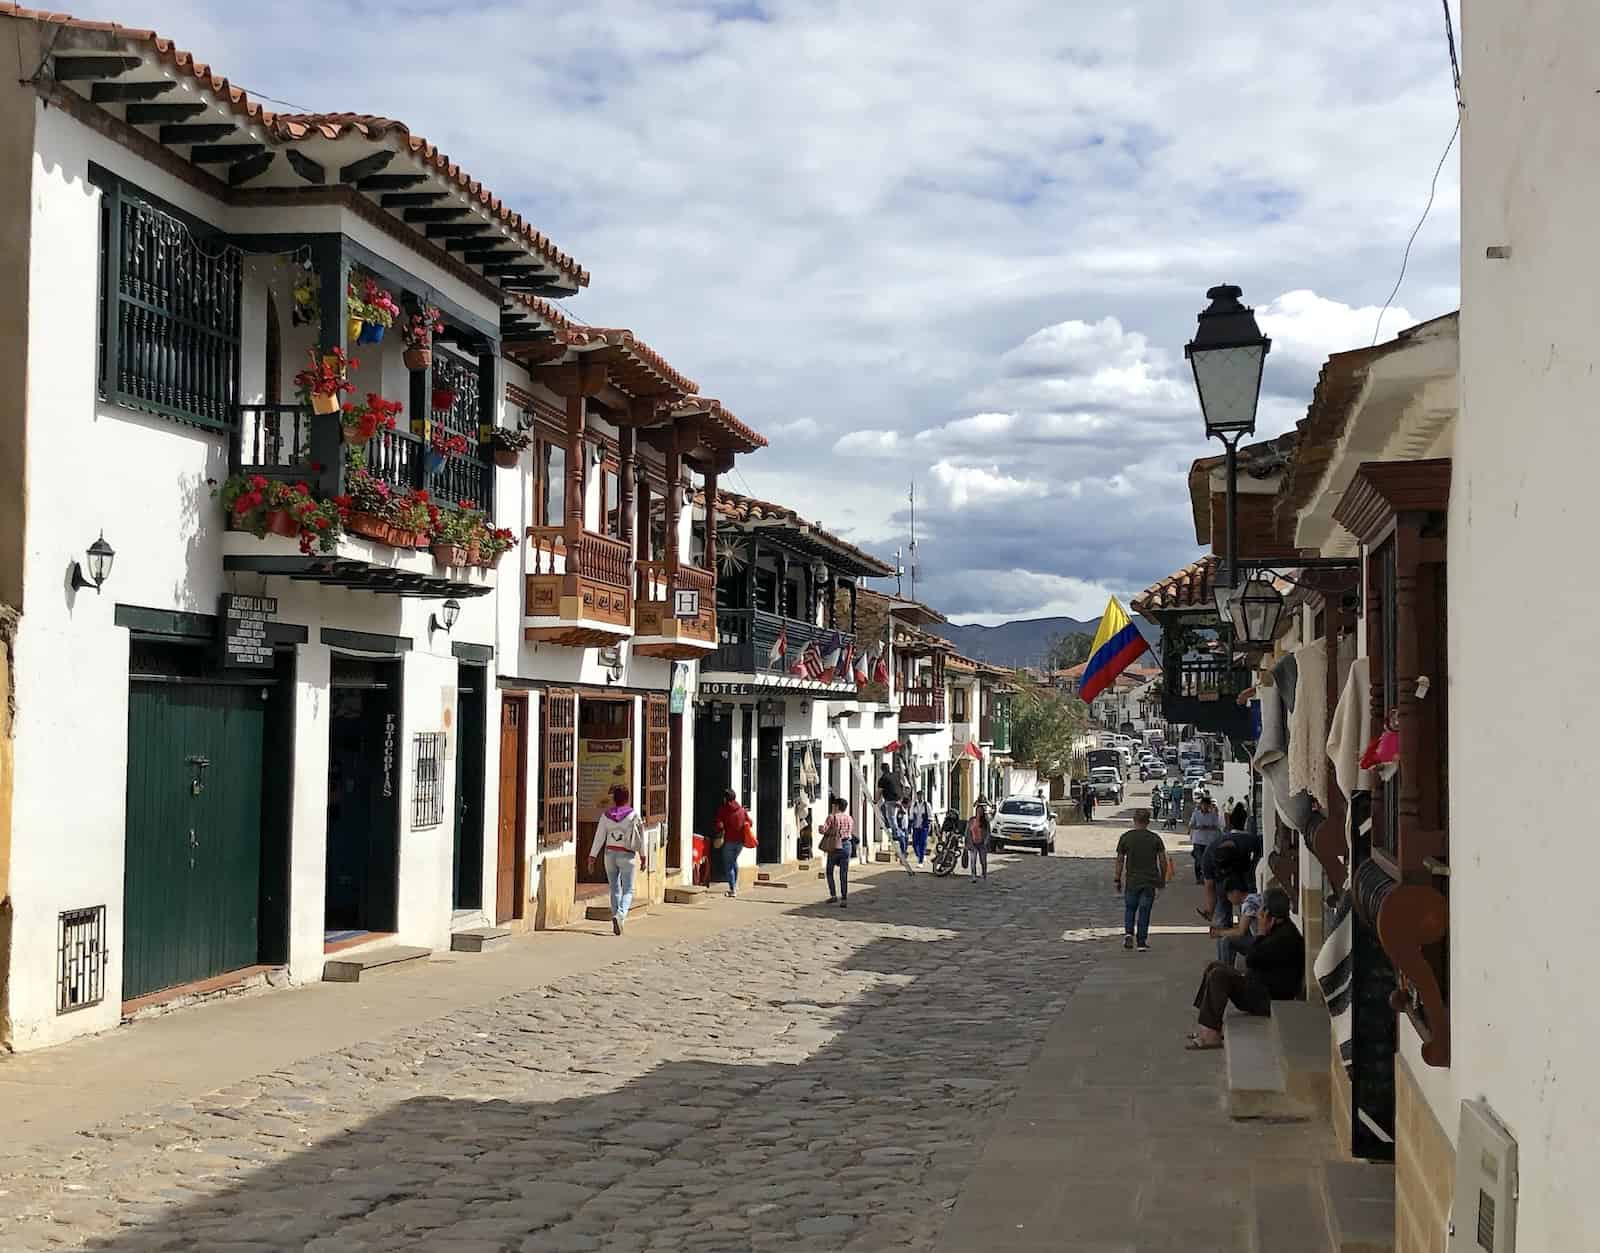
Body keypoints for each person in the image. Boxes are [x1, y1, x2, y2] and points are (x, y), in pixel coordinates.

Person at [1187, 889, 1304, 1049]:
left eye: (1262, 910)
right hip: (1261, 988)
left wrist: (1261, 933)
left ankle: (1210, 1035)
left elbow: (1251, 959)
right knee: (1214, 966)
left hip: (1267, 999)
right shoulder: (1281, 929)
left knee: (1219, 975)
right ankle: (1208, 1027)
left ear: (1270, 915)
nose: (1258, 914)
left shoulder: (1283, 937)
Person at [586, 785, 648, 935]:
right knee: (628, 889)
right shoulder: (634, 815)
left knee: (614, 887)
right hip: (627, 855)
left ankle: (616, 915)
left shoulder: (606, 816)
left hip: (610, 854)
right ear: (628, 798)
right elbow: (641, 837)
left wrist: (592, 857)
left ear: (614, 798)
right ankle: (620, 915)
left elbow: (599, 838)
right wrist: (643, 856)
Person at [1114, 808, 1170, 952]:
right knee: (1144, 911)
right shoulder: (1155, 838)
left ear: (1134, 820)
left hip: (1132, 880)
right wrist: (1162, 878)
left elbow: (1120, 860)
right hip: (1149, 881)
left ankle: (1128, 933)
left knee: (1130, 908)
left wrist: (1117, 878)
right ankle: (1141, 942)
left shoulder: (1126, 837)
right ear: (1148, 821)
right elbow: (1163, 861)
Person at [1208, 878, 1262, 965]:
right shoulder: (1255, 897)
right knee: (1229, 936)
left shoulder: (1248, 904)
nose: (1229, 899)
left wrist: (1219, 933)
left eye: (1229, 895)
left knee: (1227, 941)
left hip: (1260, 943)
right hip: (1263, 938)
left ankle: (1225, 971)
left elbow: (1241, 931)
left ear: (1236, 892)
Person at [818, 796, 856, 907]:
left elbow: (824, 830)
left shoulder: (831, 817)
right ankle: (844, 898)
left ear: (837, 806)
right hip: (847, 845)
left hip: (835, 846)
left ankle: (833, 895)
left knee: (830, 871)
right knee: (843, 873)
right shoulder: (849, 818)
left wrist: (820, 828)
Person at [712, 789, 749, 898]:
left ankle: (732, 889)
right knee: (733, 862)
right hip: (741, 841)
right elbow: (749, 822)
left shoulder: (724, 810)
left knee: (729, 865)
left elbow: (719, 825)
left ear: (725, 798)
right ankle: (734, 885)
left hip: (729, 841)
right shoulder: (742, 810)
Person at [1187, 792, 1222, 884]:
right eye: (1204, 805)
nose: (1205, 807)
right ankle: (1199, 877)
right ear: (1201, 805)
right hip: (1198, 840)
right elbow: (1191, 825)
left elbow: (1217, 827)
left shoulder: (1213, 815)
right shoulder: (1196, 814)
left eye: (1207, 805)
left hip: (1209, 840)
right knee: (1199, 859)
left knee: (1207, 860)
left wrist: (1209, 827)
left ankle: (1206, 877)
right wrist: (1199, 827)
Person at [967, 801, 991, 882]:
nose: (979, 813)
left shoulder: (985, 822)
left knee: (983, 861)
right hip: (972, 843)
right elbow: (967, 832)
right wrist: (966, 843)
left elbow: (988, 832)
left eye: (981, 811)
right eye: (978, 811)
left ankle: (984, 874)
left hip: (982, 844)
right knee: (973, 861)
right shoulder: (971, 820)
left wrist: (986, 842)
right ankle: (973, 876)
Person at [910, 792, 932, 866]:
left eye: (921, 796)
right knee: (915, 843)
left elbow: (930, 816)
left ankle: (920, 861)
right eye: (919, 796)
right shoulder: (914, 805)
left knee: (922, 843)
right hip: (916, 827)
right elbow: (911, 815)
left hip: (923, 827)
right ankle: (919, 855)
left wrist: (927, 825)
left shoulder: (927, 805)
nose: (920, 797)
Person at [893, 799, 915, 875]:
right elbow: (897, 819)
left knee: (905, 844)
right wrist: (897, 828)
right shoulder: (899, 810)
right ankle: (902, 859)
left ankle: (902, 858)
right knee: (903, 844)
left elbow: (907, 820)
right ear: (905, 804)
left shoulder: (906, 810)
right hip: (900, 829)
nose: (909, 805)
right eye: (908, 804)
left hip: (905, 829)